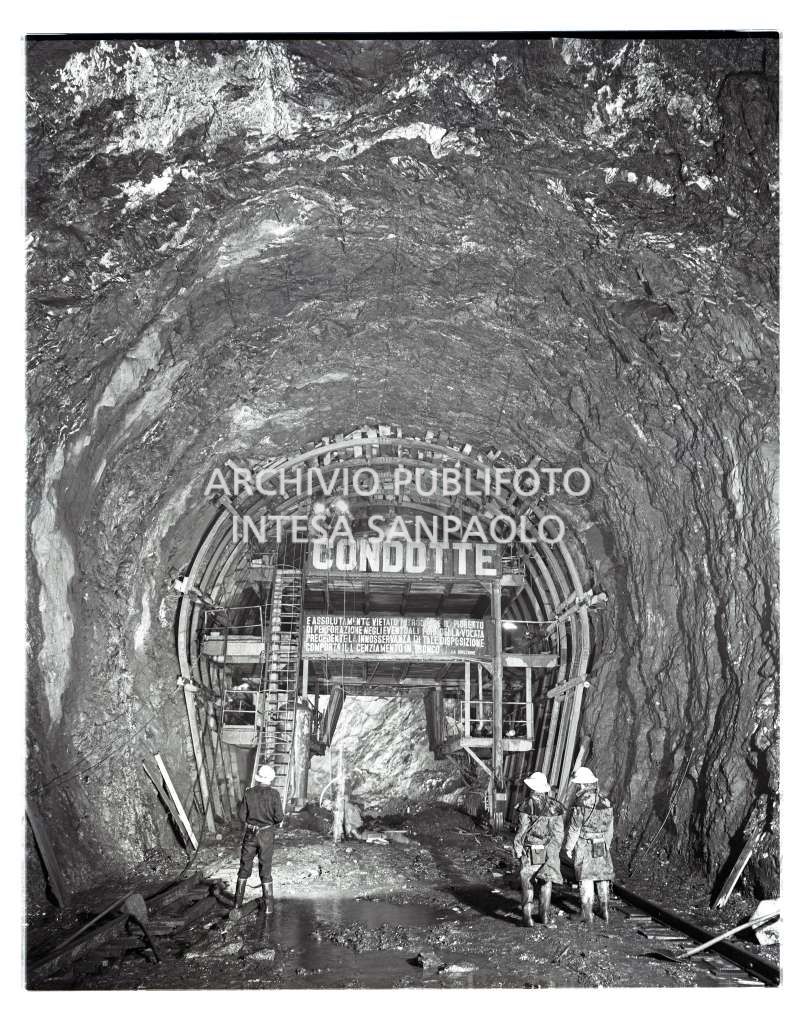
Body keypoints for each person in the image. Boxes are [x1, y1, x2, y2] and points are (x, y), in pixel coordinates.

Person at [512, 770, 565, 927]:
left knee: (527, 880)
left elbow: (522, 831)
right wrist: (554, 851)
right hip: (548, 850)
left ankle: (528, 917)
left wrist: (517, 848)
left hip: (530, 849)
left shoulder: (525, 806)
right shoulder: (556, 807)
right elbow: (559, 833)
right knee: (546, 881)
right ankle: (545, 916)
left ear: (532, 787)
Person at [564, 766, 614, 925]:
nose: (577, 786)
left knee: (586, 877)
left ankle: (587, 913)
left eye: (578, 784)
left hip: (585, 843)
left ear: (582, 784)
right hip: (601, 842)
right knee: (602, 876)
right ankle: (605, 910)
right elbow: (610, 827)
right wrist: (607, 844)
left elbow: (574, 828)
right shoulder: (606, 801)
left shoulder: (580, 802)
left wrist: (569, 847)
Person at [234, 764, 284, 916]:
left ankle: (237, 905)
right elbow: (279, 817)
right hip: (267, 835)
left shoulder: (249, 793)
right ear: (270, 779)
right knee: (266, 869)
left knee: (244, 867)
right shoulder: (274, 794)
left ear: (259, 778)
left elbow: (242, 816)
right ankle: (269, 908)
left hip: (250, 834)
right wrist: (269, 822)